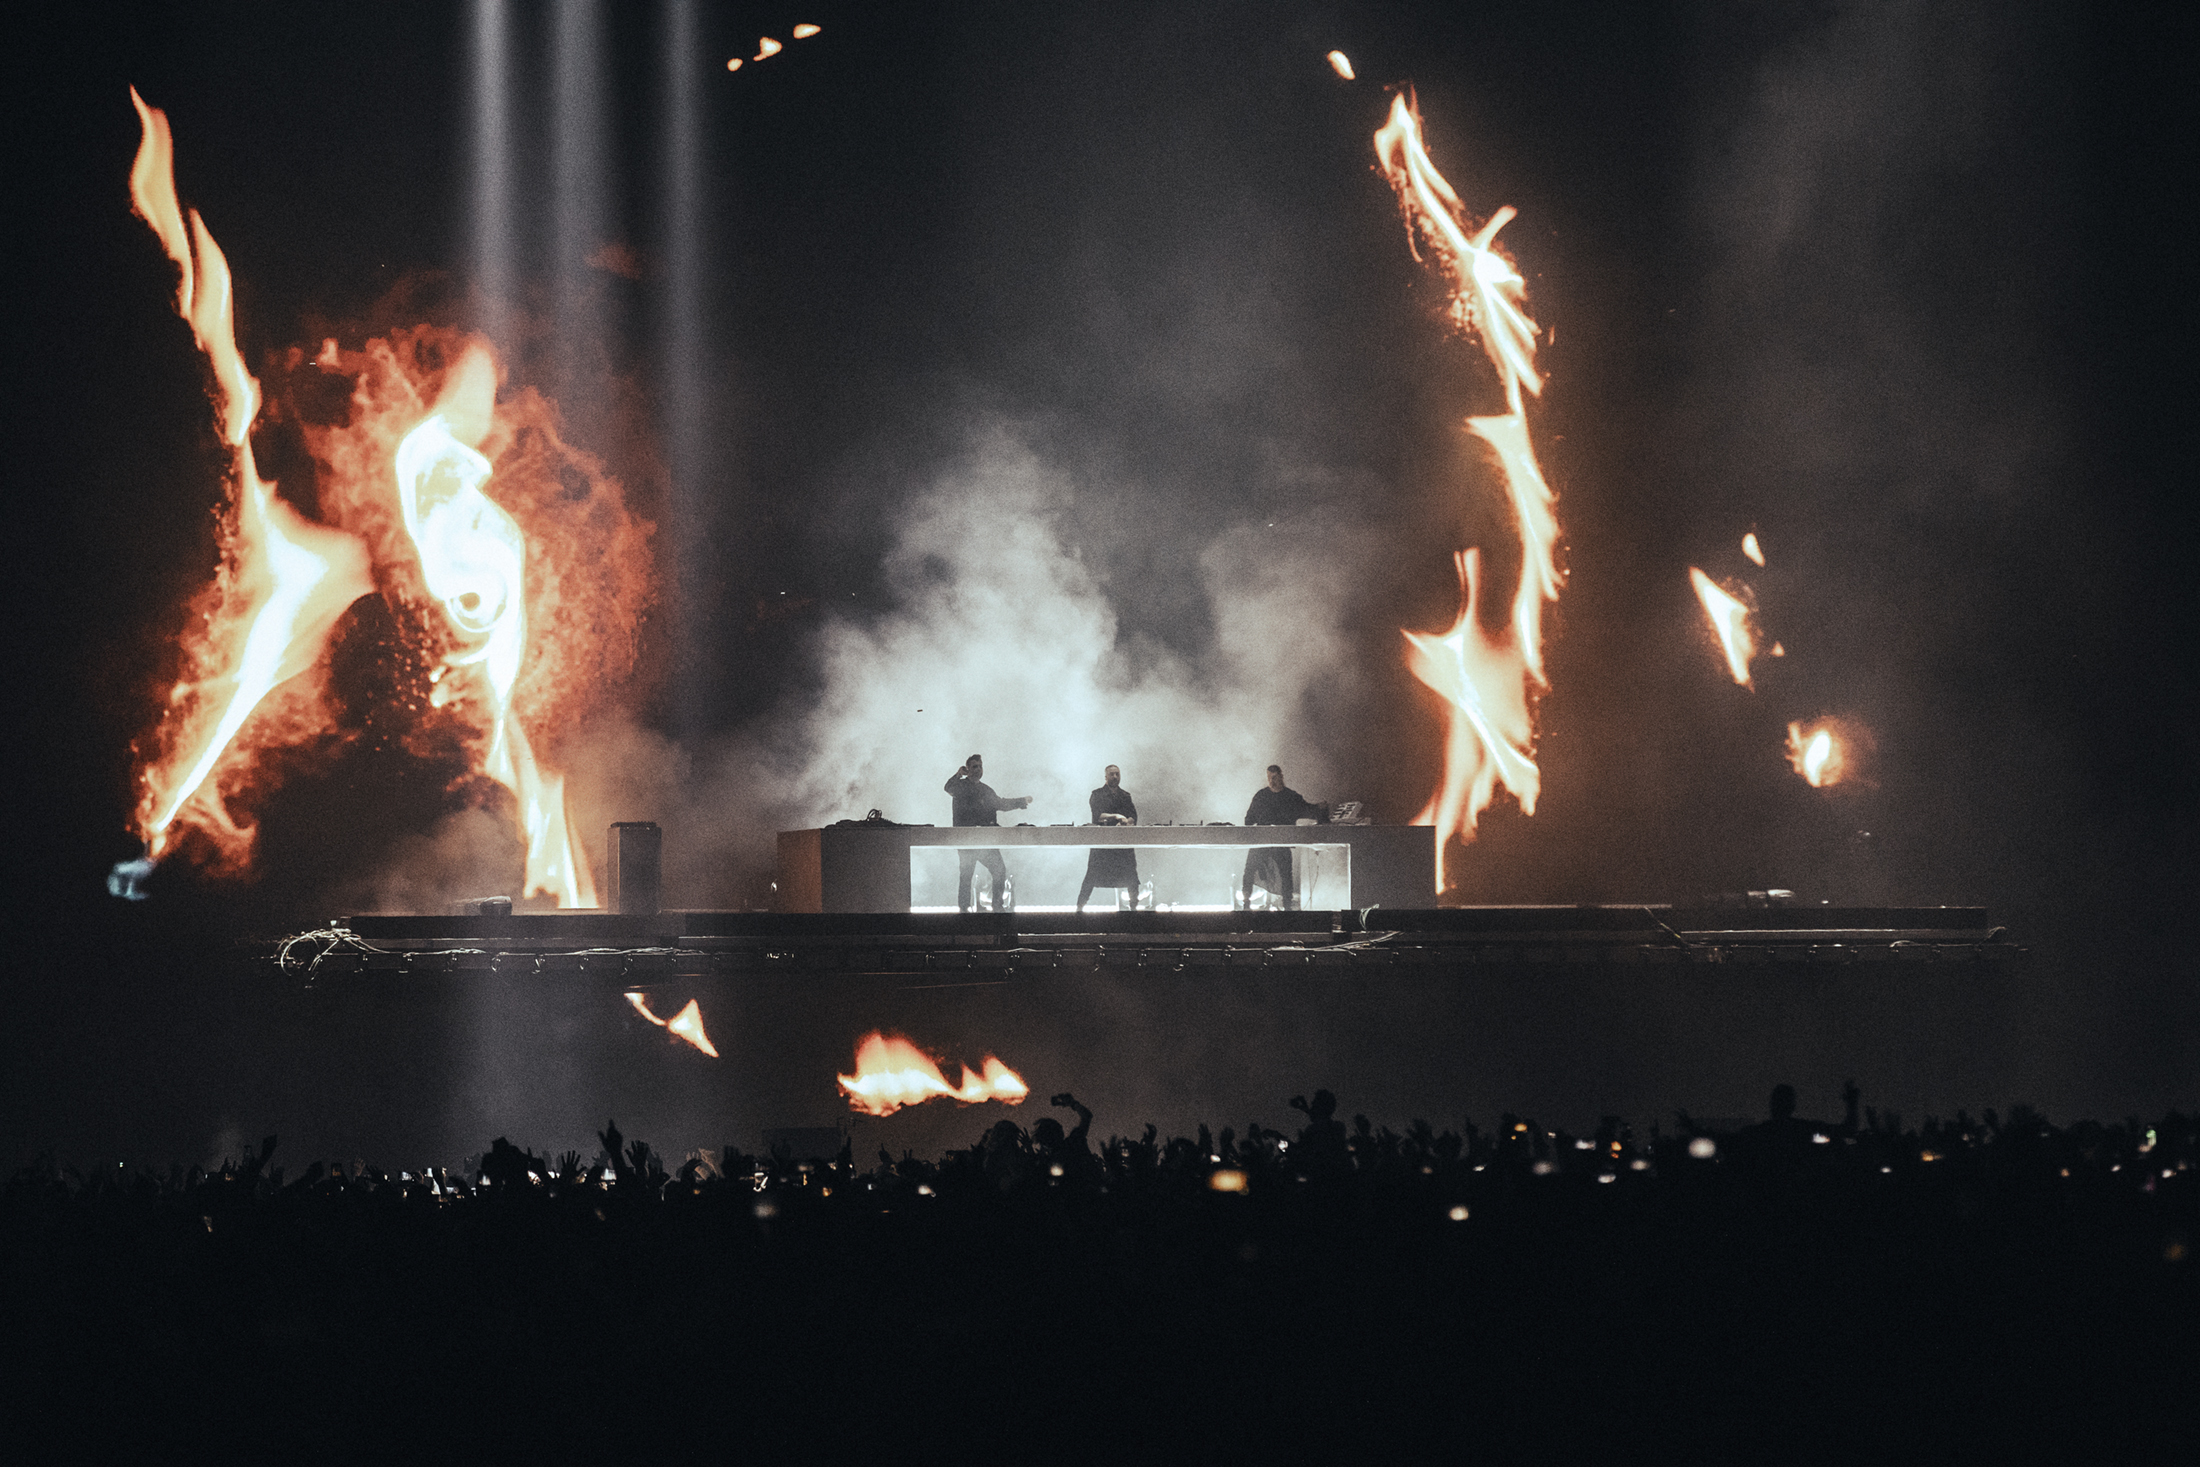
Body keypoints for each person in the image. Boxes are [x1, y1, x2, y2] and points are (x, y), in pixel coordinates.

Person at [943, 754, 1031, 911]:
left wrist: (1021, 801)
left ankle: (997, 906)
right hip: (967, 839)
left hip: (985, 839)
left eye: (980, 766)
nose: (978, 769)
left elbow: (1001, 803)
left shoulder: (986, 790)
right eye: (974, 766)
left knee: (999, 870)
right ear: (967, 769)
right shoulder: (960, 787)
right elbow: (948, 788)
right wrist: (958, 775)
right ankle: (964, 909)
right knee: (966, 874)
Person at [1242, 764, 1325, 910]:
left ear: (1281, 777)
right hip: (1262, 841)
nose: (1271, 781)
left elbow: (1307, 809)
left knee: (1286, 874)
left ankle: (1287, 908)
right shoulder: (1261, 796)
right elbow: (1248, 820)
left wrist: (1319, 808)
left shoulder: (1291, 797)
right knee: (1249, 869)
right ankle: (1246, 904)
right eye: (1269, 778)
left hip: (1281, 842)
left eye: (1274, 777)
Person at [1076, 764, 1139, 913]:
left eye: (1117, 774)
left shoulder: (1125, 796)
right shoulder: (1097, 794)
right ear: (1106, 777)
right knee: (1092, 875)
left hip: (1122, 842)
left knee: (1131, 875)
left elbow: (1133, 816)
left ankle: (1134, 909)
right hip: (1103, 841)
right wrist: (1116, 816)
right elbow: (1097, 815)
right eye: (1112, 774)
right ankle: (1079, 908)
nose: (1115, 777)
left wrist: (1127, 821)